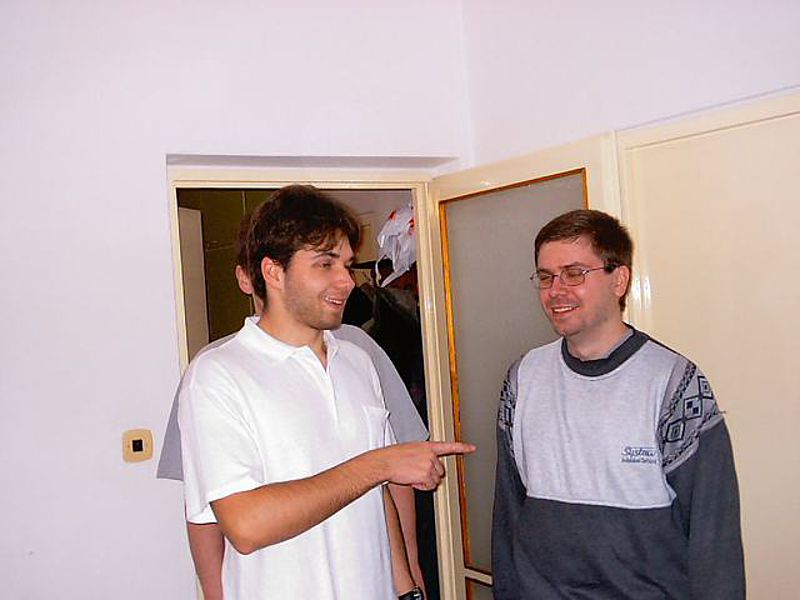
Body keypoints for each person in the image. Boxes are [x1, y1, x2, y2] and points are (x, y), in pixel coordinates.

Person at [177, 184, 474, 599]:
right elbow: (245, 525)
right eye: (325, 264)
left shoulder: (357, 361)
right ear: (273, 272)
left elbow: (375, 492)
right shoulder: (217, 374)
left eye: (347, 264)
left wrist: (407, 585)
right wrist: (379, 464)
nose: (346, 281)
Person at [491, 209, 745, 599]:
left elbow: (714, 536)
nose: (556, 290)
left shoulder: (673, 383)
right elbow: (509, 514)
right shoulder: (523, 378)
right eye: (546, 276)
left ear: (619, 280)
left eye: (574, 274)